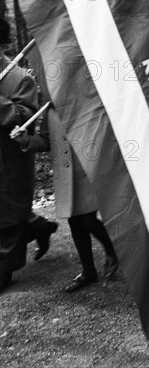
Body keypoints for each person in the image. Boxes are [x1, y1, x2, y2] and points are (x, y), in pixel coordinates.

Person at [11, 105, 118, 292]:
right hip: (65, 173)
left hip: (87, 168)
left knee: (86, 218)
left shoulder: (84, 98)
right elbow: (46, 141)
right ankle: (88, 271)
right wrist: (25, 139)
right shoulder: (50, 110)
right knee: (74, 220)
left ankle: (112, 250)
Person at [0, 17, 38, 293]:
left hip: (8, 162)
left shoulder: (19, 77)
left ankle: (4, 271)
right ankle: (38, 227)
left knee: (7, 217)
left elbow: (25, 119)